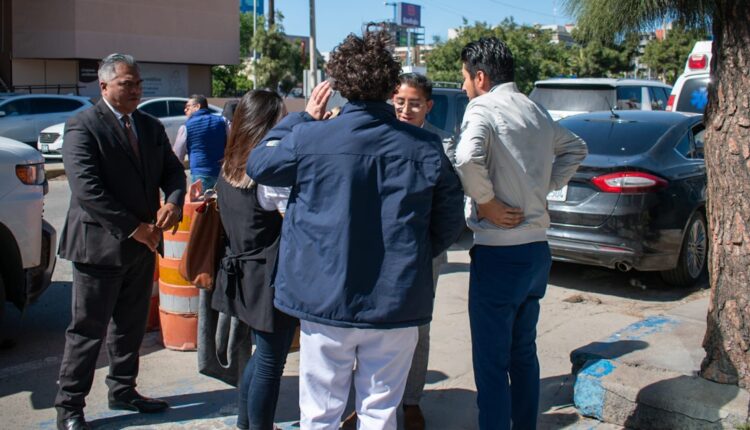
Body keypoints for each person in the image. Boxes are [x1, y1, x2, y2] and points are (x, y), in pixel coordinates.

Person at [247, 30, 465, 430]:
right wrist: (411, 256)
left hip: (323, 297)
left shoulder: (309, 137)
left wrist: (300, 118)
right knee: (380, 412)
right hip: (395, 300)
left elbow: (259, 162)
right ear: (388, 87)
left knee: (320, 412)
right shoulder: (424, 147)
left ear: (340, 85)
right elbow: (449, 221)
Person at [454, 37, 587, 430]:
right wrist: (541, 189)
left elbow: (465, 157)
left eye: (464, 78)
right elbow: (576, 147)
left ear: (480, 77)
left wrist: (487, 201)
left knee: (492, 364)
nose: (463, 87)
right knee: (523, 354)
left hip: (500, 253)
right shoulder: (535, 109)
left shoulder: (483, 107)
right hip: (536, 253)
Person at [55, 53, 186, 430]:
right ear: (104, 86)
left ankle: (123, 389)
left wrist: (174, 203)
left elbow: (173, 171)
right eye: (127, 84)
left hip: (142, 248)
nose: (136, 90)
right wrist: (136, 228)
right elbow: (87, 191)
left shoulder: (148, 125)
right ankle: (69, 407)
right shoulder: (83, 126)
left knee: (130, 327)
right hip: (99, 248)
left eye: (139, 83)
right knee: (87, 332)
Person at [342, 72, 459, 430]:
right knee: (363, 327)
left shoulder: (443, 145)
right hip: (376, 248)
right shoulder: (380, 136)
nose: (406, 109)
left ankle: (410, 400)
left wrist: (429, 249)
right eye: (400, 102)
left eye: (415, 103)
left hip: (423, 252)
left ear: (429, 106)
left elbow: (448, 209)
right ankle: (362, 403)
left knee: (417, 327)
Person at [210, 90, 298, 430]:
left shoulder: (230, 166)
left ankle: (245, 424)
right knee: (270, 363)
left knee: (262, 356)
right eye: (281, 120)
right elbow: (293, 219)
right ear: (265, 124)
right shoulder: (268, 174)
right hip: (269, 277)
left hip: (243, 274)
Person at [172, 94, 227, 190]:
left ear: (197, 107)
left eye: (188, 107)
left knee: (202, 204)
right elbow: (233, 142)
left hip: (200, 175)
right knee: (221, 203)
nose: (185, 110)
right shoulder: (222, 122)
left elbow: (177, 155)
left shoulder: (186, 127)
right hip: (221, 172)